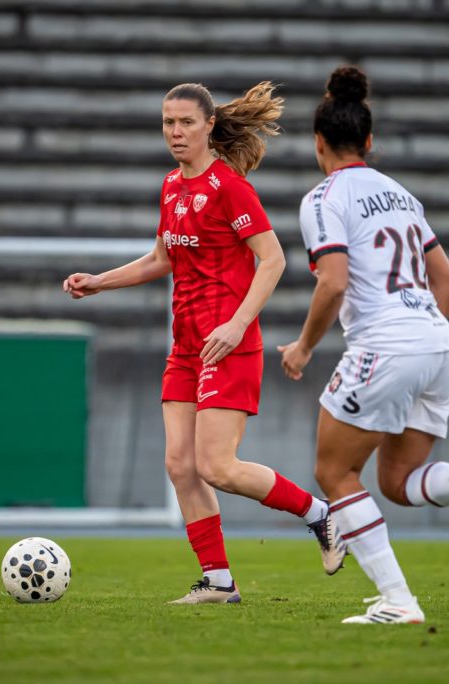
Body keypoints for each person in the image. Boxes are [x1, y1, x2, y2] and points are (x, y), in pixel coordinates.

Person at [279, 66, 449, 625]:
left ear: (318, 142)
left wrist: (303, 348)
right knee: (396, 483)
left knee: (334, 473)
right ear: (370, 140)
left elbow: (333, 281)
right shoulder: (401, 195)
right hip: (438, 345)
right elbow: (447, 280)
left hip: (387, 347)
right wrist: (419, 337)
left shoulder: (323, 199)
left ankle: (398, 601)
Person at [63, 81, 344, 604]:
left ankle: (321, 515)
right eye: (168, 122)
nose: (175, 131)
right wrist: (100, 281)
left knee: (217, 467)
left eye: (186, 122)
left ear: (209, 125)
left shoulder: (229, 187)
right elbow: (160, 259)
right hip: (186, 348)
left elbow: (273, 259)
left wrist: (237, 324)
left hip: (227, 346)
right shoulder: (171, 185)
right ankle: (217, 580)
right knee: (180, 465)